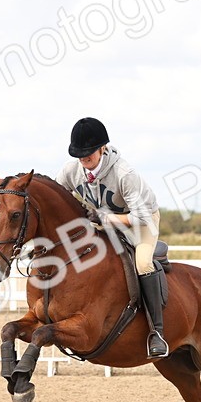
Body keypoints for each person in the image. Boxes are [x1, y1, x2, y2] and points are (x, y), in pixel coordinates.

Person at [56, 117, 169, 358]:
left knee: (143, 263)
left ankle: (156, 333)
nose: (84, 159)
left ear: (102, 148)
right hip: (104, 222)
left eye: (88, 153)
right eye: (79, 154)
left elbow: (140, 216)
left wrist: (106, 219)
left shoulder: (123, 173)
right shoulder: (71, 171)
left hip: (142, 221)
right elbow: (60, 198)